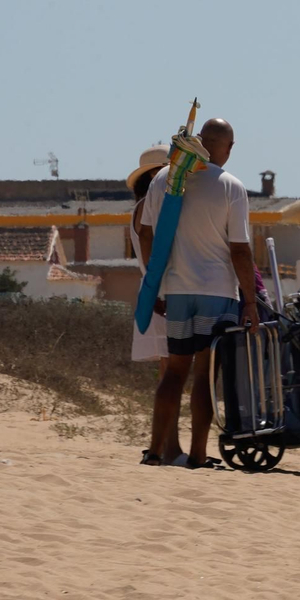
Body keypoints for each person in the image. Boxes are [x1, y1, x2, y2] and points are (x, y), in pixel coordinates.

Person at [138, 117, 258, 469]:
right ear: (229, 147)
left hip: (176, 288)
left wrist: (153, 281)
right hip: (217, 291)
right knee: (205, 374)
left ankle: (155, 451)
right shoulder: (230, 185)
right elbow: (240, 250)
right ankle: (198, 455)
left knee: (173, 371)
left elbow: (146, 235)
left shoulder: (164, 178)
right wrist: (250, 301)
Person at [127, 143, 190, 465]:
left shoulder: (141, 208)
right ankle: (169, 448)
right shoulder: (149, 209)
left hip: (155, 292)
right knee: (172, 374)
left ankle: (166, 445)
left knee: (169, 374)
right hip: (162, 294)